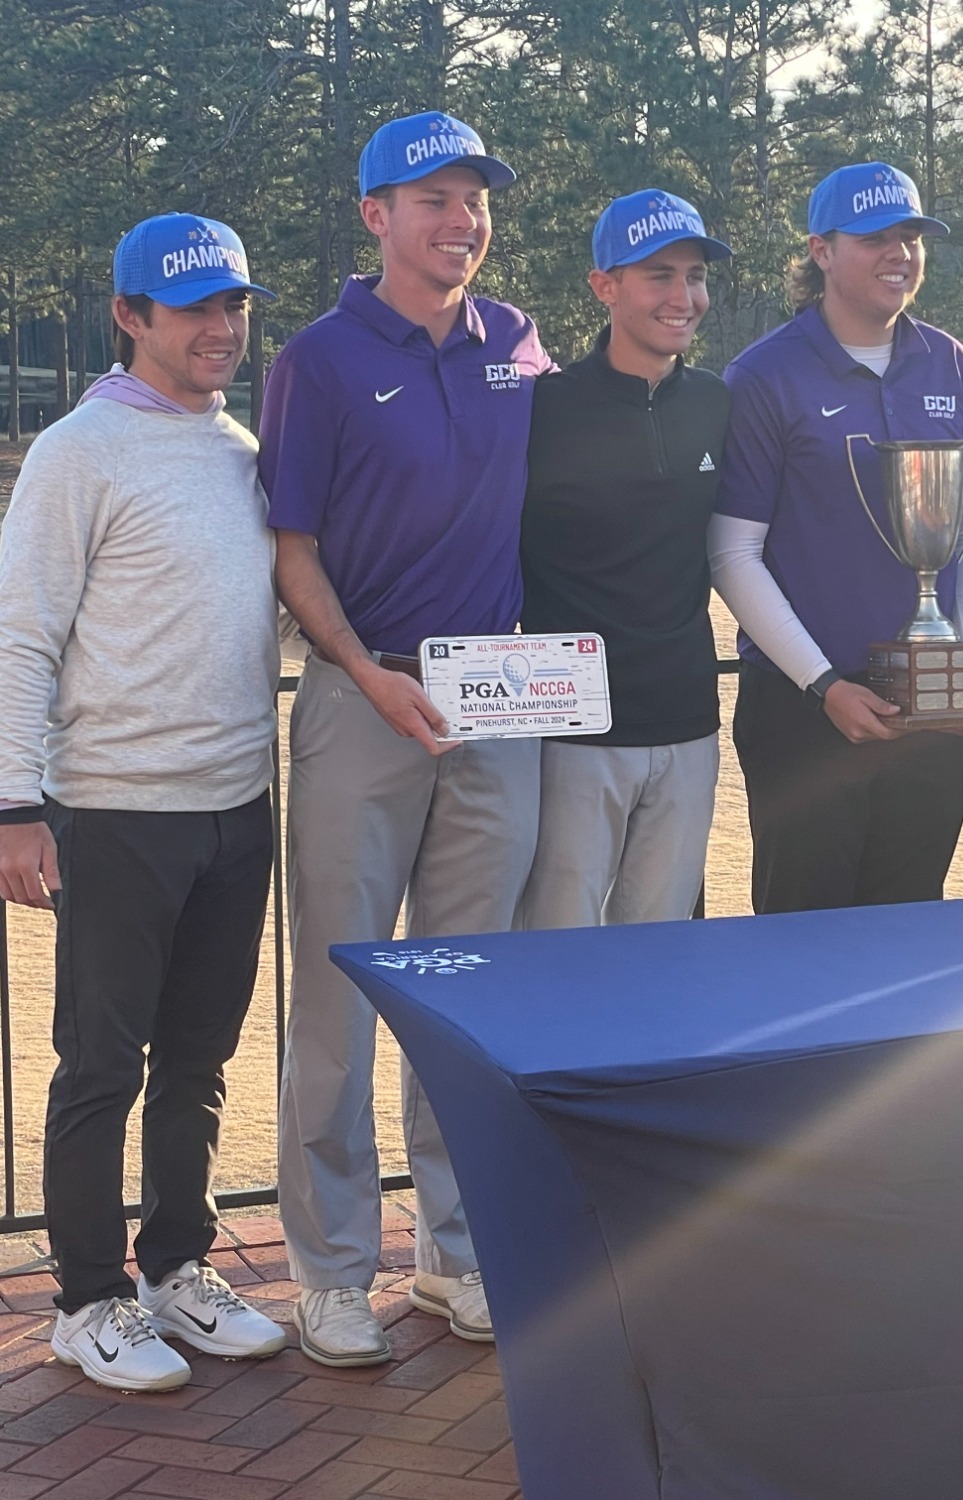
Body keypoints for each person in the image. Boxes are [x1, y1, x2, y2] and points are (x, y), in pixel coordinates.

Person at [261, 111, 552, 1366]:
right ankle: (330, 1270)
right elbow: (292, 549)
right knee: (338, 996)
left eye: (473, 198)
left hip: (497, 698)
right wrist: (365, 674)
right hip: (362, 696)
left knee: (463, 995)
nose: (460, 220)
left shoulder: (517, 345)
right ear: (374, 214)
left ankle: (454, 1250)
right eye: (431, 198)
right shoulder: (319, 358)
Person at [0, 214, 287, 1391]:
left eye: (234, 307)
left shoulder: (242, 447)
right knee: (100, 1064)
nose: (219, 329)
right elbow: (22, 635)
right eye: (192, 310)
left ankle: (175, 1268)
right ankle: (86, 1299)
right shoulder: (79, 451)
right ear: (131, 317)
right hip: (115, 810)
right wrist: (15, 805)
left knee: (201, 1061)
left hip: (237, 801)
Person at [708, 161, 963, 913]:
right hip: (805, 710)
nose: (899, 252)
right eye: (875, 238)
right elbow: (733, 552)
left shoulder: (952, 364)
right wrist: (824, 685)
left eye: (910, 236)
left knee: (905, 933)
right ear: (821, 250)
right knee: (803, 939)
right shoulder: (765, 374)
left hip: (927, 707)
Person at [517, 191, 732, 928]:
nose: (684, 296)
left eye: (695, 275)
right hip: (571, 735)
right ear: (604, 286)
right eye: (659, 275)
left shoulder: (715, 403)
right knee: (558, 956)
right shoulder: (545, 407)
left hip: (687, 722)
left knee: (659, 960)